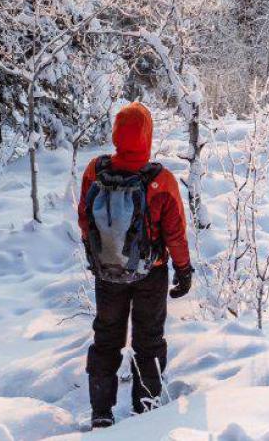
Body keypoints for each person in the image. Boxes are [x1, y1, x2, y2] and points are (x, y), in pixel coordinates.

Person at [78, 102, 193, 429]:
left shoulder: (95, 170)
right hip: (151, 273)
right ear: (147, 135)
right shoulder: (161, 180)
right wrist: (184, 271)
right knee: (149, 340)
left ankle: (101, 413)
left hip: (108, 274)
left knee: (106, 338)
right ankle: (147, 410)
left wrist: (99, 254)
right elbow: (175, 234)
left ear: (117, 134)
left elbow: (85, 219)